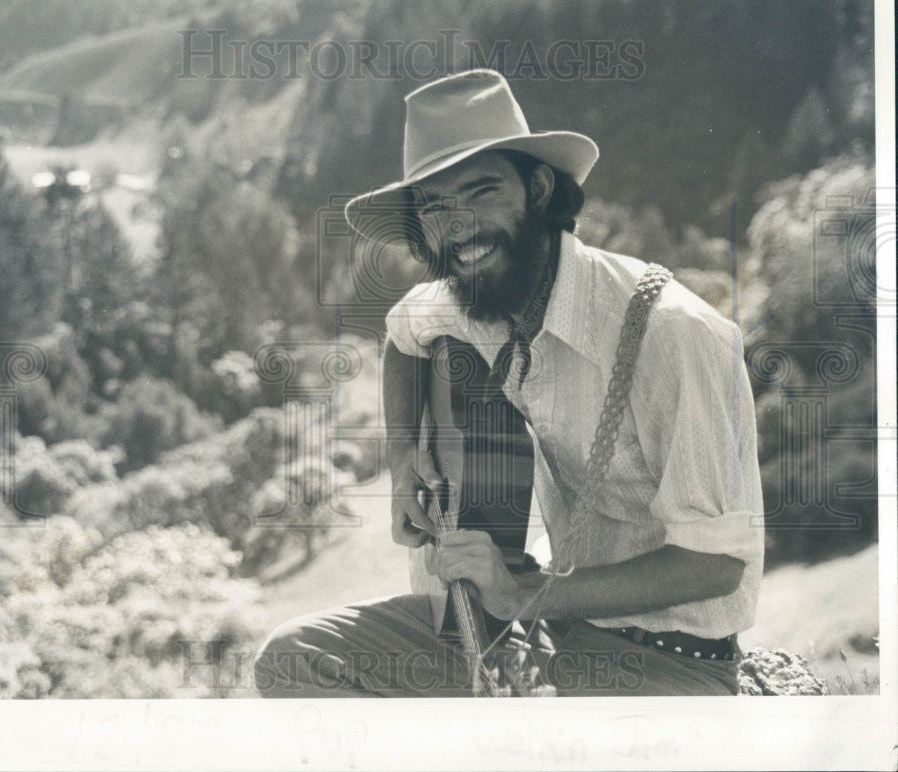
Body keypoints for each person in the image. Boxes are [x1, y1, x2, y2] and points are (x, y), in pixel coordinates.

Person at [254, 69, 763, 697]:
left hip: (666, 664)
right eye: (436, 206)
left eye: (482, 191)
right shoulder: (483, 295)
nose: (459, 226)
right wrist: (404, 460)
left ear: (539, 188)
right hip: (547, 634)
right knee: (294, 657)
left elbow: (714, 563)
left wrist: (524, 592)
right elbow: (403, 331)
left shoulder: (674, 334)